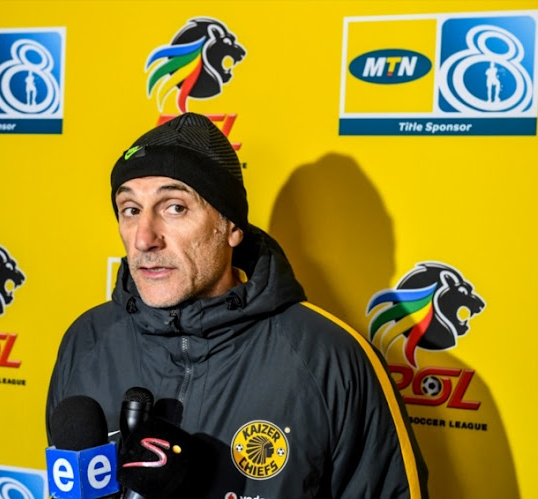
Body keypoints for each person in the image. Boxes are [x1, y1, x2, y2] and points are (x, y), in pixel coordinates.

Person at [47, 112, 428, 498]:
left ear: (230, 227)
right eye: (130, 210)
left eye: (174, 207)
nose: (145, 238)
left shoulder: (328, 357)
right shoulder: (86, 341)